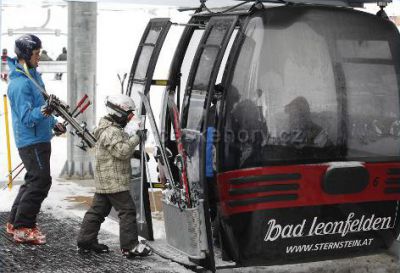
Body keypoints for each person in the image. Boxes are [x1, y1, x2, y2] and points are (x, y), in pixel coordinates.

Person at [5, 34, 66, 245]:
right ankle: (23, 227)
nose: (39, 57)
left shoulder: (33, 76)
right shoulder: (20, 85)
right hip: (31, 141)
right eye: (36, 53)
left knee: (33, 180)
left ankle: (15, 222)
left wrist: (53, 122)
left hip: (39, 138)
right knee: (40, 181)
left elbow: (41, 109)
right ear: (25, 54)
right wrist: (45, 111)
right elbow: (27, 118)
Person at [77, 94, 151, 258]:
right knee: (127, 210)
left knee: (97, 211)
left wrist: (135, 153)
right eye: (129, 115)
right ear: (120, 112)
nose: (130, 118)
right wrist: (137, 138)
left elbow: (114, 150)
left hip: (106, 178)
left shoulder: (110, 129)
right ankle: (130, 246)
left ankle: (85, 241)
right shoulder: (111, 131)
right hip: (114, 179)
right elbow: (122, 151)